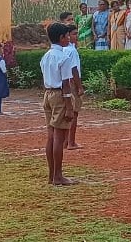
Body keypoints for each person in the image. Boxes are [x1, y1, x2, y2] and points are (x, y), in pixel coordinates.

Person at [40, 22, 78, 185]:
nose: (69, 38)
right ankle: (58, 175)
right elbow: (65, 84)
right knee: (59, 137)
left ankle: (52, 175)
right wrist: (69, 107)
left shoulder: (46, 56)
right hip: (59, 96)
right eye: (67, 36)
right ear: (62, 38)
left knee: (51, 135)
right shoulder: (64, 57)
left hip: (47, 94)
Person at [65, 26, 85, 150]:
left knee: (66, 113)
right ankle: (71, 142)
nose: (76, 36)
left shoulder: (64, 49)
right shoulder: (71, 50)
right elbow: (74, 70)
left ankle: (66, 141)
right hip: (72, 82)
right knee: (74, 113)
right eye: (73, 34)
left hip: (64, 82)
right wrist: (79, 86)